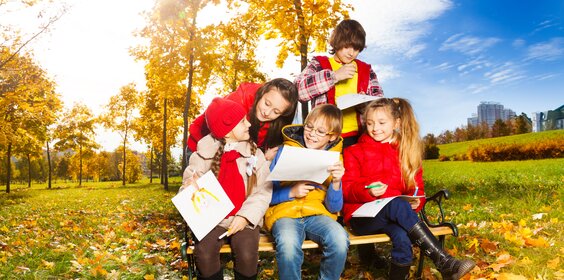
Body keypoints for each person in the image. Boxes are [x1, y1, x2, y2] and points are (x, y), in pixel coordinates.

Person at [341, 98, 475, 279]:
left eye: (382, 123)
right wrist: (368, 191)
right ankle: (444, 261)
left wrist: (415, 203)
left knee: (402, 236)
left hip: (397, 216)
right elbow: (346, 189)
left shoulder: (406, 151)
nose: (375, 128)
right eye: (370, 123)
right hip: (362, 217)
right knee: (397, 205)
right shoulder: (354, 151)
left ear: (396, 123)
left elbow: (418, 190)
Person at [180, 98, 273, 280]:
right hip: (213, 220)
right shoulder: (202, 156)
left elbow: (263, 190)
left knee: (247, 253)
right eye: (242, 121)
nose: (249, 123)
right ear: (227, 131)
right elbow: (186, 189)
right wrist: (191, 188)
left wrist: (245, 217)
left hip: (244, 218)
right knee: (204, 253)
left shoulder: (255, 154)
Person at [265, 104, 349, 280]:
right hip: (284, 214)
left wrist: (336, 182)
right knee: (288, 244)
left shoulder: (335, 160)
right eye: (309, 127)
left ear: (332, 136)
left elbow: (334, 208)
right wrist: (291, 192)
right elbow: (265, 195)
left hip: (317, 215)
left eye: (320, 131)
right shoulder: (284, 151)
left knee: (340, 239)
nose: (311, 134)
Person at [295, 19, 384, 148]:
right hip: (323, 138)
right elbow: (298, 91)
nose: (351, 53)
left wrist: (365, 106)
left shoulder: (366, 70)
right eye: (347, 46)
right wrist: (334, 76)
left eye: (356, 48)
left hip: (359, 139)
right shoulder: (319, 64)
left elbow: (381, 108)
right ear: (336, 42)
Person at [188, 78, 299, 161]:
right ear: (262, 92)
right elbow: (227, 147)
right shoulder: (237, 102)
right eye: (267, 103)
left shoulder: (276, 125)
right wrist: (260, 159)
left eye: (276, 112)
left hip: (236, 154)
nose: (267, 113)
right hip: (202, 145)